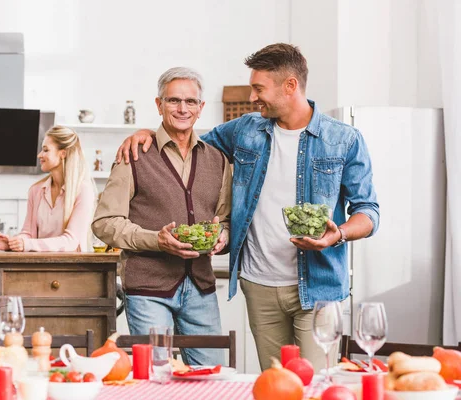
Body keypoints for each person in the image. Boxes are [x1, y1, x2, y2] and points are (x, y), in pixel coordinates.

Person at [115, 44, 380, 371]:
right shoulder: (245, 130)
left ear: (290, 86)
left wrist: (337, 234)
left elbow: (368, 211)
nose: (253, 97)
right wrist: (147, 134)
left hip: (320, 285)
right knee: (275, 383)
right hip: (260, 285)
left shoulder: (344, 139)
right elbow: (185, 140)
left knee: (317, 382)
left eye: (259, 88)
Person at [92, 67, 232, 366]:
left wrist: (224, 235)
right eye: (173, 101)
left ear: (200, 108)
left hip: (201, 286)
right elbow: (104, 222)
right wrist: (155, 240)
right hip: (148, 289)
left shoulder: (217, 160)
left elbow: (225, 218)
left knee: (211, 373)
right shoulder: (133, 155)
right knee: (157, 377)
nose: (183, 108)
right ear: (159, 105)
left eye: (191, 102)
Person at [0, 126, 95, 252]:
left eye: (46, 150)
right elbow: (28, 233)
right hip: (39, 267)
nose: (40, 155)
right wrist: (14, 243)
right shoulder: (36, 190)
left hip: (72, 269)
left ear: (63, 153)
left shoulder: (83, 190)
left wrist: (27, 244)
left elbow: (71, 241)